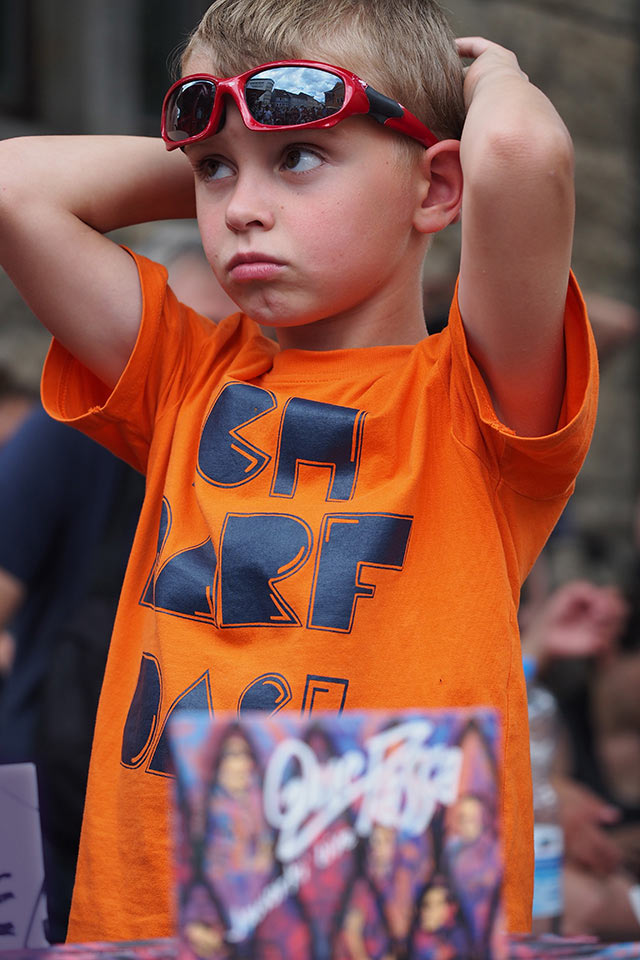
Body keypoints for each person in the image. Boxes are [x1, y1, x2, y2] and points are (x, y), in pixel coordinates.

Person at [0, 0, 597, 943]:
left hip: (403, 929)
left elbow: (519, 156)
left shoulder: (478, 406)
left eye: (301, 157)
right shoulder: (186, 378)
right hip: (153, 928)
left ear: (440, 188)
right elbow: (12, 185)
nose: (239, 210)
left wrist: (491, 81)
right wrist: (243, 133)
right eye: (212, 174)